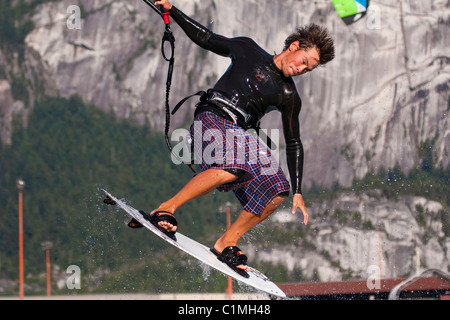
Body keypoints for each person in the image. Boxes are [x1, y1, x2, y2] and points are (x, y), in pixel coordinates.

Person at [140, 0, 335, 275]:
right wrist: (172, 11)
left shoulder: (289, 96)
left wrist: (299, 190)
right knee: (234, 162)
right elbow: (207, 38)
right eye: (304, 62)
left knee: (277, 188)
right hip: (212, 118)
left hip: (239, 134)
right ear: (294, 47)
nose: (303, 69)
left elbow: (293, 142)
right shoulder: (248, 50)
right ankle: (166, 208)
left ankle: (227, 242)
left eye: (309, 69)